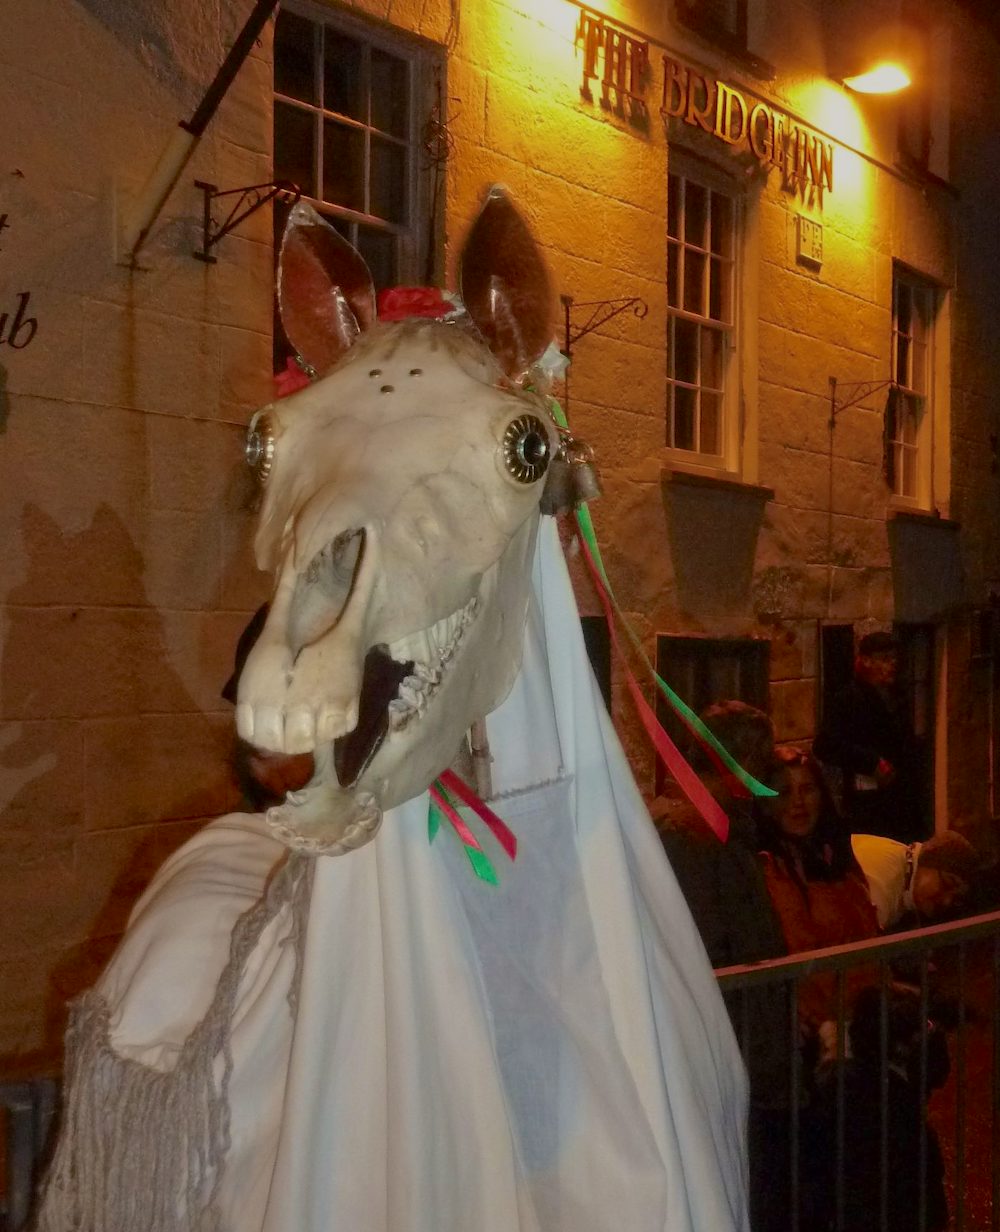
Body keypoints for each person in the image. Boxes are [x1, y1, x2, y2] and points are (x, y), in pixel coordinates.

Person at [757, 749, 879, 1032]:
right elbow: (802, 954)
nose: (798, 803)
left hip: (868, 1013)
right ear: (766, 805)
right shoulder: (773, 870)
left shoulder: (836, 855)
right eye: (784, 792)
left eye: (807, 789)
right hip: (830, 1027)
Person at [813, 631, 924, 842]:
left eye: (893, 659)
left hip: (899, 799)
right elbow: (825, 744)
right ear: (866, 661)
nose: (891, 665)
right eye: (884, 659)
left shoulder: (897, 698)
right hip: (866, 802)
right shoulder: (848, 699)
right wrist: (871, 762)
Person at [851, 829, 978, 929]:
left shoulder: (901, 862)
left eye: (955, 899)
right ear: (929, 860)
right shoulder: (885, 879)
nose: (947, 901)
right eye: (947, 884)